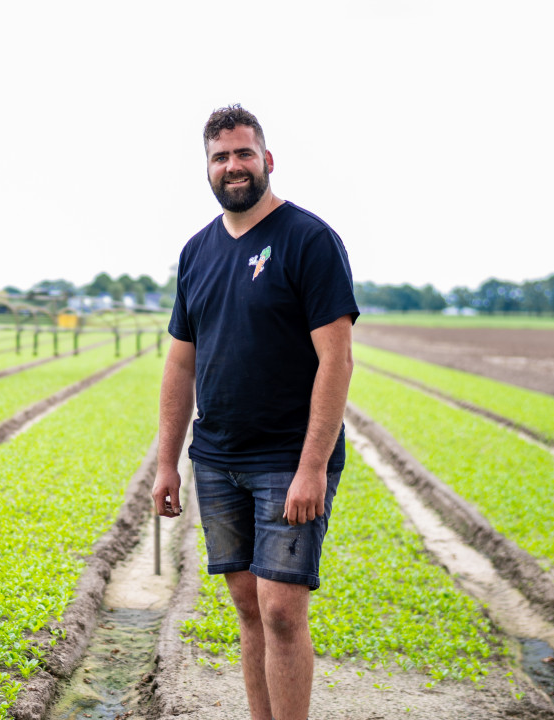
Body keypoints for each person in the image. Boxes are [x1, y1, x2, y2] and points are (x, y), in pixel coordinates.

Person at [152, 104, 358, 720]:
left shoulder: (309, 240)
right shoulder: (197, 252)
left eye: (244, 154)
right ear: (207, 169)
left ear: (267, 160)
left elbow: (337, 362)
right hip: (217, 457)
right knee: (247, 608)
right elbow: (181, 364)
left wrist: (312, 467)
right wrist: (168, 463)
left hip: (287, 458)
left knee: (281, 612)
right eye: (221, 157)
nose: (233, 166)